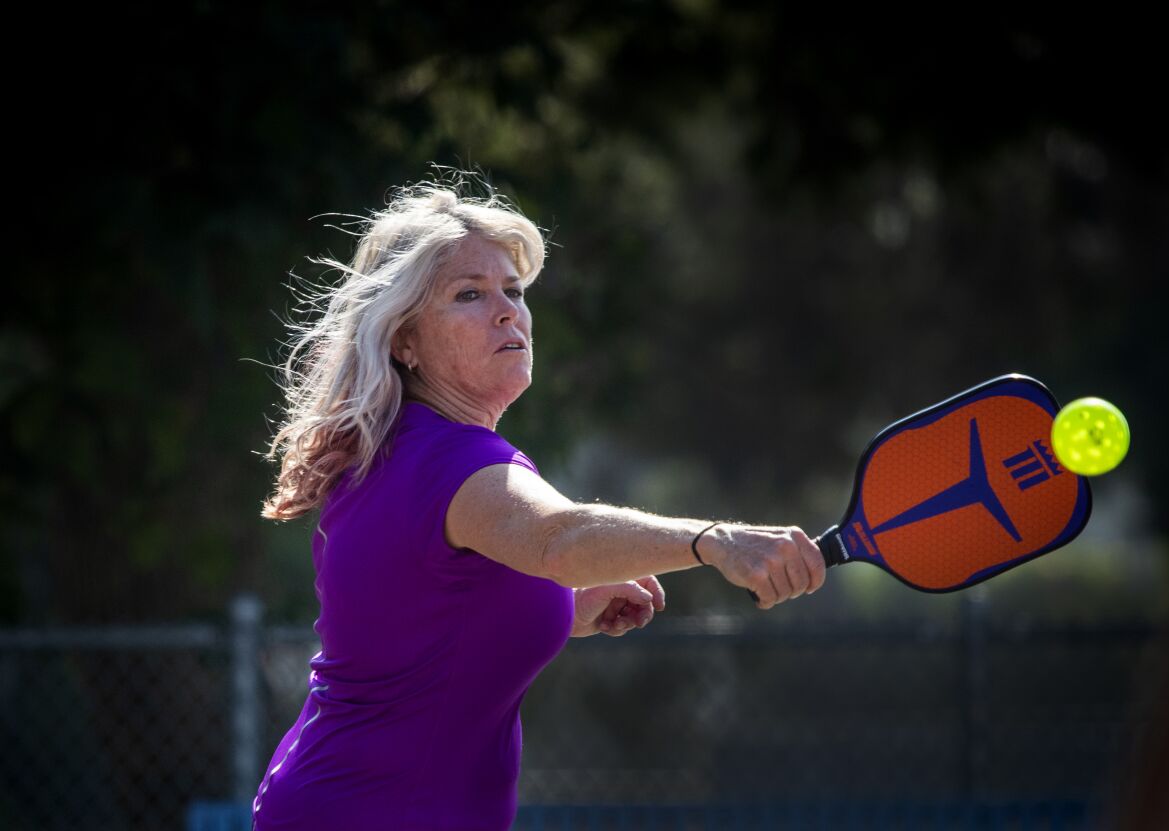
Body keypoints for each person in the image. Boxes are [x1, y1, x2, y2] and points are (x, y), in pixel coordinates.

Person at [251, 177, 827, 830]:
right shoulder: (456, 463)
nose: (508, 311)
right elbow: (559, 538)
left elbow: (423, 622)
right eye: (469, 293)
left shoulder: (391, 453)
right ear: (403, 340)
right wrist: (717, 539)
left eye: (513, 291)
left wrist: (559, 607)